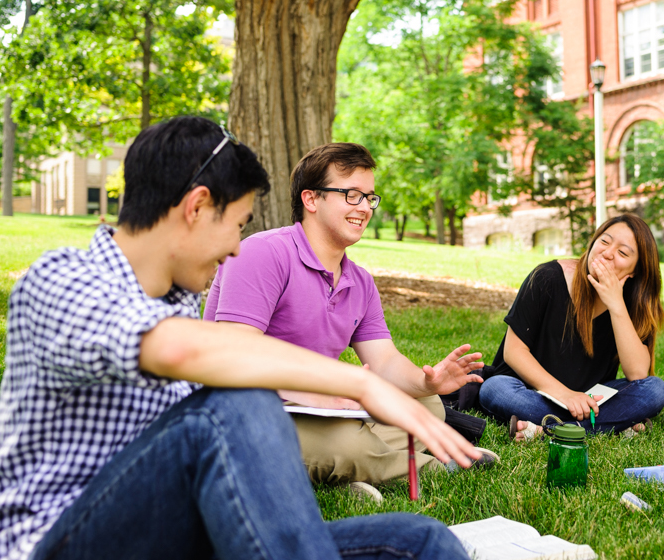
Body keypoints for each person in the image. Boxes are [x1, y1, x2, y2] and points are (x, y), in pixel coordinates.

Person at [0, 117, 479, 560]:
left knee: (420, 542)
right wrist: (362, 385)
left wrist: (415, 385)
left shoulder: (177, 300)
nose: (237, 247)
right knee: (238, 405)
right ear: (197, 207)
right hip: (50, 541)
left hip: (176, 534)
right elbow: (180, 350)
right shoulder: (62, 278)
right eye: (237, 224)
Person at [203, 142, 495, 489]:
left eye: (369, 197)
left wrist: (426, 383)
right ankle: (410, 466)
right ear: (311, 199)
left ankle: (350, 469)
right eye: (351, 194)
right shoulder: (264, 253)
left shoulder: (360, 282)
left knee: (428, 405)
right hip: (249, 409)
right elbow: (235, 355)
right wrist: (318, 392)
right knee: (349, 443)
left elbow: (384, 361)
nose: (364, 208)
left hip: (318, 409)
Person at [478, 214, 664, 440]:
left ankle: (547, 429)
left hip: (589, 398)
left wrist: (616, 304)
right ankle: (610, 425)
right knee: (495, 389)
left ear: (636, 270)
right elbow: (513, 352)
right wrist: (566, 395)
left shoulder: (633, 304)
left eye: (622, 252)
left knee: (655, 390)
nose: (607, 253)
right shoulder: (547, 278)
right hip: (529, 390)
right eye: (604, 242)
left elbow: (637, 374)